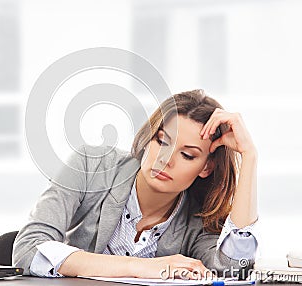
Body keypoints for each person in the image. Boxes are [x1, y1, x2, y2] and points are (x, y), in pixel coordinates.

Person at [13, 89, 258, 279]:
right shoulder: (91, 165)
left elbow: (235, 271)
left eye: (187, 155)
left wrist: (249, 156)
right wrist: (140, 267)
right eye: (162, 141)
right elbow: (28, 249)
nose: (165, 160)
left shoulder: (198, 218)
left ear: (206, 167)